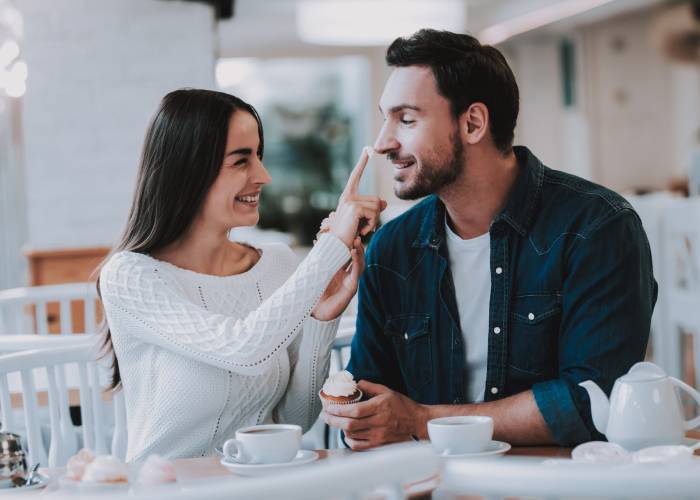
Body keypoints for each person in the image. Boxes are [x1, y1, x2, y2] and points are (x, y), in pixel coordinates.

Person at [322, 29, 657, 450]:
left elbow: (594, 404)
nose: (384, 142)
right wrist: (354, 414)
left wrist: (421, 420)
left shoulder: (596, 227)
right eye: (385, 118)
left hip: (557, 484)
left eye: (406, 119)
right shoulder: (392, 248)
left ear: (473, 123)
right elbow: (370, 408)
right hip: (429, 485)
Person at [97, 89, 384, 461]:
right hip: (169, 490)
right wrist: (330, 249)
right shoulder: (131, 275)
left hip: (254, 487)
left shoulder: (276, 263)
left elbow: (294, 421)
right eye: (240, 160)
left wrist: (320, 318)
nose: (263, 176)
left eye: (259, 156)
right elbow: (245, 349)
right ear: (189, 168)